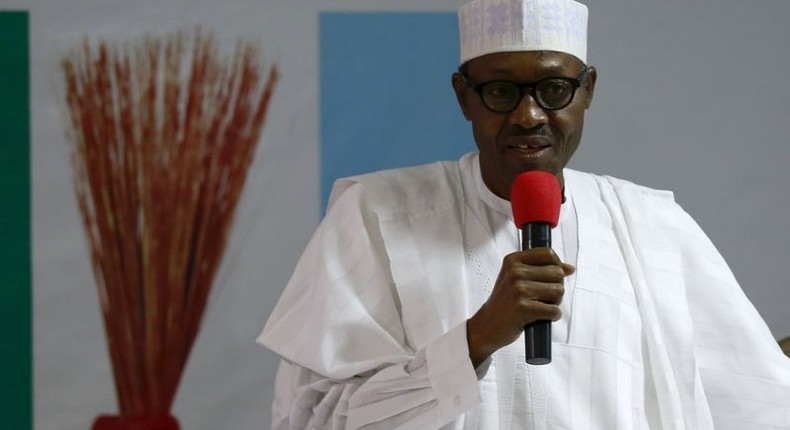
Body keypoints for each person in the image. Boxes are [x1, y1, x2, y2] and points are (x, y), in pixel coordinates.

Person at [259, 0, 790, 428]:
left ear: (588, 92)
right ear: (463, 96)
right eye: (500, 91)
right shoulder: (376, 215)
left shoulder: (651, 226)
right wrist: (474, 340)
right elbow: (315, 419)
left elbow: (754, 403)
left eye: (554, 89)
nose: (529, 115)